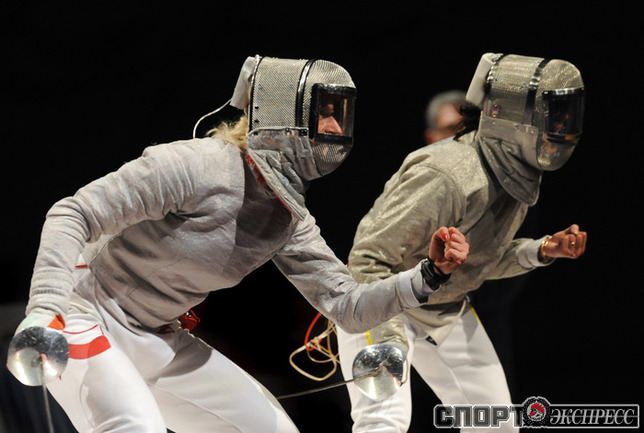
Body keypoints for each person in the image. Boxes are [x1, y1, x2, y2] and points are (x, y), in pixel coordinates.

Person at [6, 55, 470, 433]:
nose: (334, 128)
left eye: (339, 114)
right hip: (84, 312)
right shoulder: (196, 165)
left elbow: (347, 306)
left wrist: (428, 275)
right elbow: (73, 213)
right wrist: (44, 310)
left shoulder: (289, 219)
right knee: (134, 425)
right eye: (323, 113)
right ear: (283, 114)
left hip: (157, 334)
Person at [336, 53, 588, 433]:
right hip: (381, 299)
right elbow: (368, 259)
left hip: (443, 306)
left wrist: (540, 250)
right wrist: (390, 344)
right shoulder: (446, 173)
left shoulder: (517, 174)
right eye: (553, 116)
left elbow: (480, 261)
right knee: (384, 420)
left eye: (565, 115)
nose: (561, 127)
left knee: (496, 424)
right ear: (514, 118)